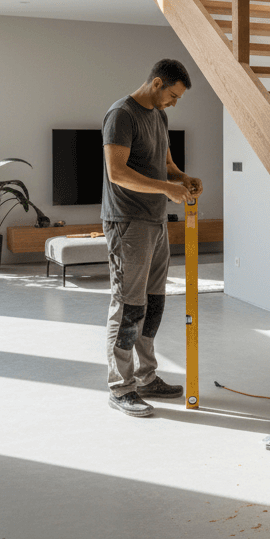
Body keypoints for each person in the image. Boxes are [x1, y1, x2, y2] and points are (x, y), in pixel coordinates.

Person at [101, 58, 204, 417]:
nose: (174, 104)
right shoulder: (122, 115)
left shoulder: (158, 116)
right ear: (157, 83)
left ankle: (146, 377)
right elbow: (116, 172)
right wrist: (165, 188)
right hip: (127, 223)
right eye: (172, 96)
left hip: (156, 222)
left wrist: (182, 178)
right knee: (129, 306)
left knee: (153, 304)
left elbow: (167, 166)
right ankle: (121, 386)